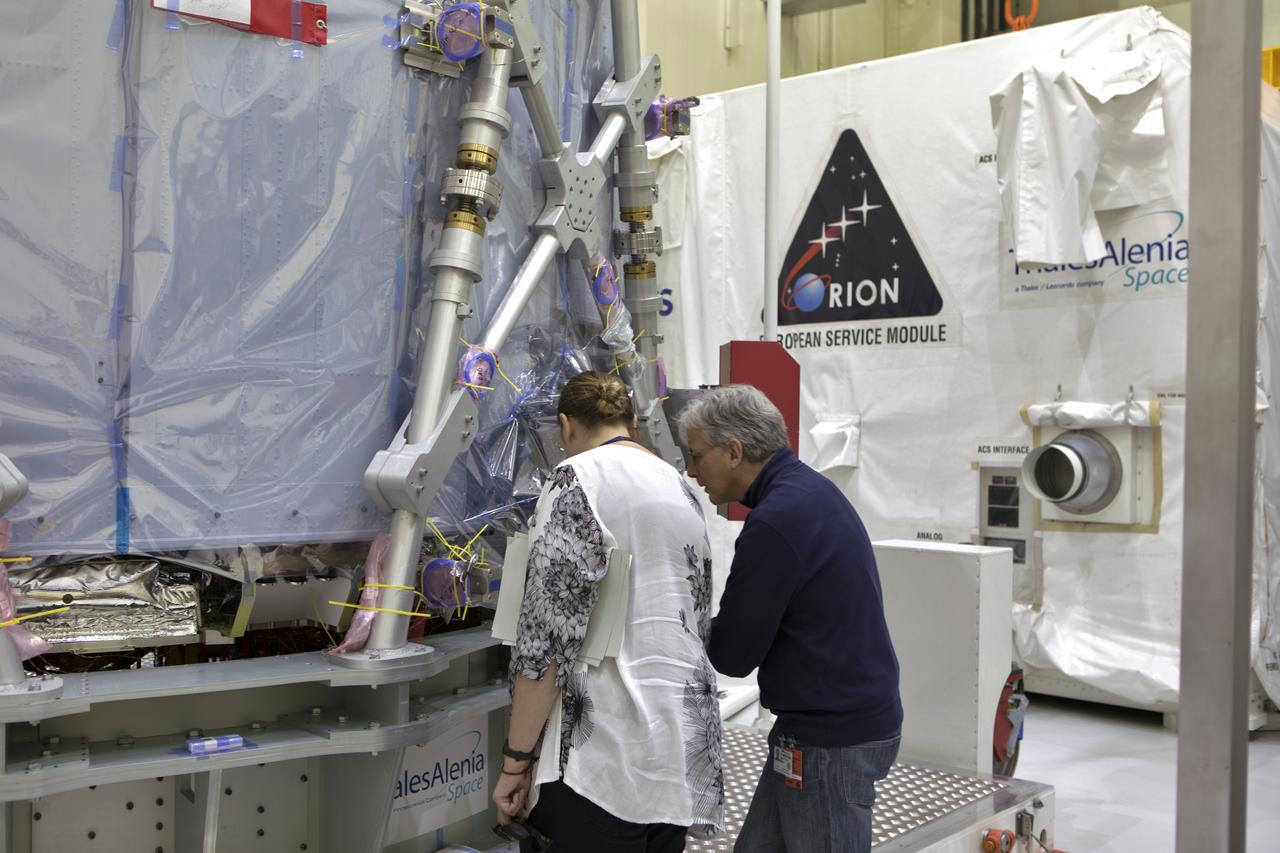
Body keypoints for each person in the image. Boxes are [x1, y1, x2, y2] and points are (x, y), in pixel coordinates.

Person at [492, 371, 724, 853]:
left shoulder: (576, 480)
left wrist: (516, 760)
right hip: (678, 753)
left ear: (565, 427)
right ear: (633, 423)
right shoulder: (681, 488)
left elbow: (546, 640)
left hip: (601, 765)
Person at [678, 385, 902, 853]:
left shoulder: (777, 522)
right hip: (823, 727)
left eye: (697, 456)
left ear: (734, 451)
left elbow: (734, 656)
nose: (691, 471)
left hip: (830, 744)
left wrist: (678, 621)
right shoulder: (810, 492)